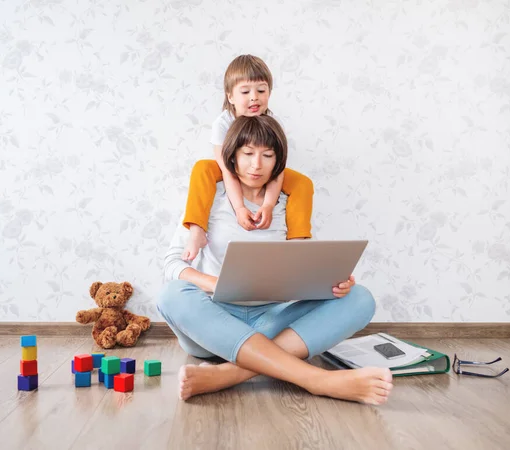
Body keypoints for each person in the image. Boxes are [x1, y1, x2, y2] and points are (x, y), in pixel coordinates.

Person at [159, 115, 393, 405]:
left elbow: (304, 267)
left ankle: (228, 374)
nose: (256, 165)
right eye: (247, 154)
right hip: (214, 323)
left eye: (267, 155)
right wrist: (214, 283)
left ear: (278, 161)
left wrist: (334, 283)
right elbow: (172, 265)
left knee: (360, 298)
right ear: (231, 155)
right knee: (171, 296)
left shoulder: (286, 203)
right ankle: (317, 380)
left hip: (271, 320)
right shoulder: (210, 196)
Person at [181, 54, 314, 261]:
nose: (254, 97)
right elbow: (227, 170)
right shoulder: (223, 123)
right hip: (231, 167)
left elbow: (277, 169)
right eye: (245, 92)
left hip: (266, 172)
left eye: (261, 91)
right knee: (203, 169)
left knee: (302, 183)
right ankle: (196, 231)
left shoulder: (272, 122)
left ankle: (298, 241)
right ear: (231, 97)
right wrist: (240, 208)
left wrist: (268, 205)